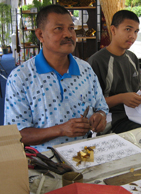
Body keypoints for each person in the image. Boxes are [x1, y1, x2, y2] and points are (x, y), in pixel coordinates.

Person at [4, 5, 109, 152]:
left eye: (71, 28)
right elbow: (17, 134)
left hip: (86, 153)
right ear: (40, 35)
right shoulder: (20, 77)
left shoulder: (85, 70)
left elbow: (101, 107)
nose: (68, 34)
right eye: (58, 28)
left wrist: (100, 116)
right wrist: (61, 130)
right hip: (44, 162)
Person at [88, 10, 141, 134]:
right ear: (113, 30)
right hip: (110, 120)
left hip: (136, 115)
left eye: (136, 31)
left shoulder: (132, 58)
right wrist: (121, 98)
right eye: (128, 29)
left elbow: (139, 89)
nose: (132, 36)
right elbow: (92, 103)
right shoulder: (96, 61)